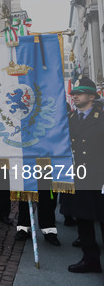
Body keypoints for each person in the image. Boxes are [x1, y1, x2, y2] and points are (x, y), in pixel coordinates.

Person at [60, 77, 104, 273]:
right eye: (73, 94)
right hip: (79, 177)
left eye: (79, 93)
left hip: (99, 177)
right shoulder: (69, 119)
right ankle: (90, 260)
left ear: (92, 96)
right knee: (84, 220)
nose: (74, 96)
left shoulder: (101, 117)